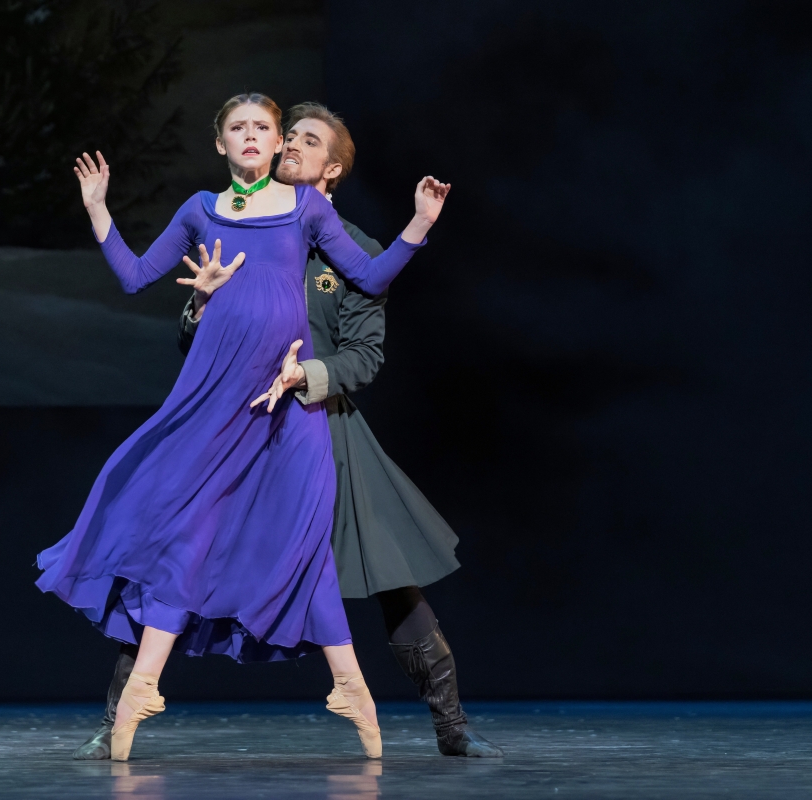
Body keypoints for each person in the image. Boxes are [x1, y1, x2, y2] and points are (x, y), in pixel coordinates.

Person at [72, 103, 503, 761]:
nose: (292, 145)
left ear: (330, 169)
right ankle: (120, 714)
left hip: (322, 428)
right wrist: (203, 303)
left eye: (307, 140)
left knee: (389, 576)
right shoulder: (235, 223)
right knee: (180, 546)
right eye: (288, 135)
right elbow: (195, 338)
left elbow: (366, 355)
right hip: (245, 423)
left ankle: (451, 725)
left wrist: (310, 375)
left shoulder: (348, 244)